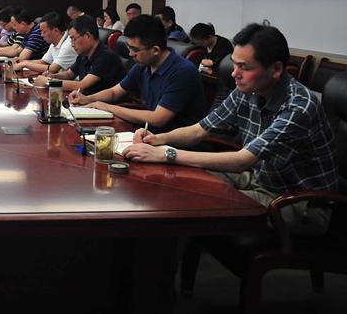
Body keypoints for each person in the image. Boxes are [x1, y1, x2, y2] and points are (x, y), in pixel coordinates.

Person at [123, 24, 338, 234]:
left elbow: (242, 160)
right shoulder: (247, 90)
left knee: (189, 204)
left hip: (299, 203)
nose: (235, 73)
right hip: (260, 179)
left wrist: (167, 154)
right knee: (179, 180)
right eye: (234, 64)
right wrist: (156, 139)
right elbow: (198, 130)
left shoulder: (299, 106)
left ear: (276, 70)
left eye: (245, 67)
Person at [69, 14, 207, 132]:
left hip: (176, 144)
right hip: (148, 134)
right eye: (128, 47)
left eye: (134, 49)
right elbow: (115, 92)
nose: (130, 54)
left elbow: (158, 118)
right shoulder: (143, 66)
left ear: (155, 50)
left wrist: (106, 107)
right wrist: (88, 99)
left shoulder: (182, 72)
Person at [35, 15, 126, 93]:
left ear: (87, 36)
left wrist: (48, 81)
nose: (72, 44)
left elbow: (81, 85)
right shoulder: (84, 54)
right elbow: (69, 74)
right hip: (87, 100)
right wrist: (54, 76)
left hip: (105, 105)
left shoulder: (105, 56)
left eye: (73, 39)